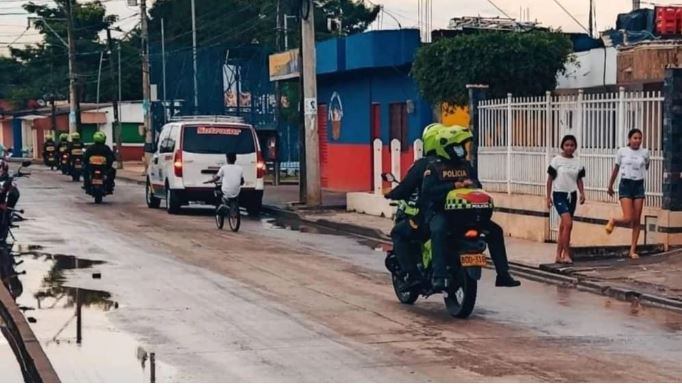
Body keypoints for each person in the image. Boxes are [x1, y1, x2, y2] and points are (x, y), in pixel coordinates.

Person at [421, 126, 520, 292]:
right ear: (445, 148)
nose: (460, 150)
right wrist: (453, 185)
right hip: (441, 213)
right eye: (456, 147)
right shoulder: (434, 168)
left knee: (495, 231)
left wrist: (471, 184)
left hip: (466, 215)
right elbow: (428, 192)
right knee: (438, 231)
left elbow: (477, 185)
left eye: (461, 146)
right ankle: (439, 276)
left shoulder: (466, 166)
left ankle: (503, 274)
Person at [384, 123, 443, 288]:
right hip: (450, 217)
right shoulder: (457, 164)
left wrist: (391, 194)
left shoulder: (423, 164)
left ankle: (412, 273)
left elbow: (406, 187)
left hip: (427, 217)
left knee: (398, 233)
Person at [606, 128, 650, 259]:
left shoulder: (645, 152)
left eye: (639, 138)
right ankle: (614, 221)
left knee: (636, 220)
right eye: (635, 138)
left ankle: (632, 249)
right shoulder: (622, 152)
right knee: (628, 218)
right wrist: (610, 184)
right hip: (625, 184)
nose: (637, 141)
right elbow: (616, 168)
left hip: (638, 185)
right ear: (629, 139)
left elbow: (647, 165)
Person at [546, 135, 586, 264]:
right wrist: (548, 197)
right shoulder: (556, 161)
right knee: (568, 223)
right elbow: (550, 179)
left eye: (572, 145)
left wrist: (582, 193)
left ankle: (558, 255)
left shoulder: (577, 162)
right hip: (559, 195)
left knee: (564, 226)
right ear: (563, 146)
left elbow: (579, 179)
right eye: (567, 145)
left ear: (575, 147)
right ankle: (566, 254)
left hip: (571, 195)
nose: (569, 147)